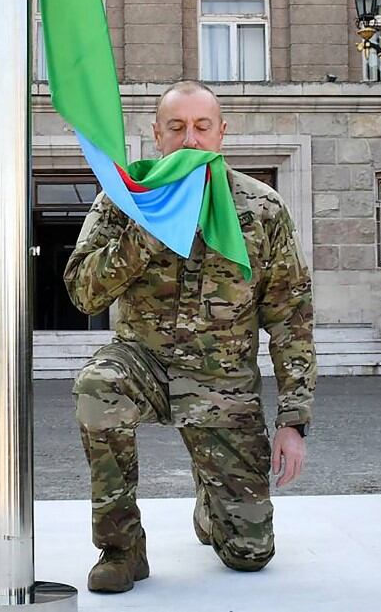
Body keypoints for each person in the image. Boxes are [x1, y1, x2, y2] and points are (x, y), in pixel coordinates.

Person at [64, 80, 317, 593]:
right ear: (157, 136)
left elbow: (291, 317)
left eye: (202, 127)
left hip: (223, 385)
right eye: (176, 128)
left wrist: (294, 420)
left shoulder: (261, 209)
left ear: (222, 133)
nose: (190, 139)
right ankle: (121, 548)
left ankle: (212, 506)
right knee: (97, 384)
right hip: (143, 365)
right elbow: (83, 293)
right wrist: (147, 231)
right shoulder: (124, 200)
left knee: (249, 556)